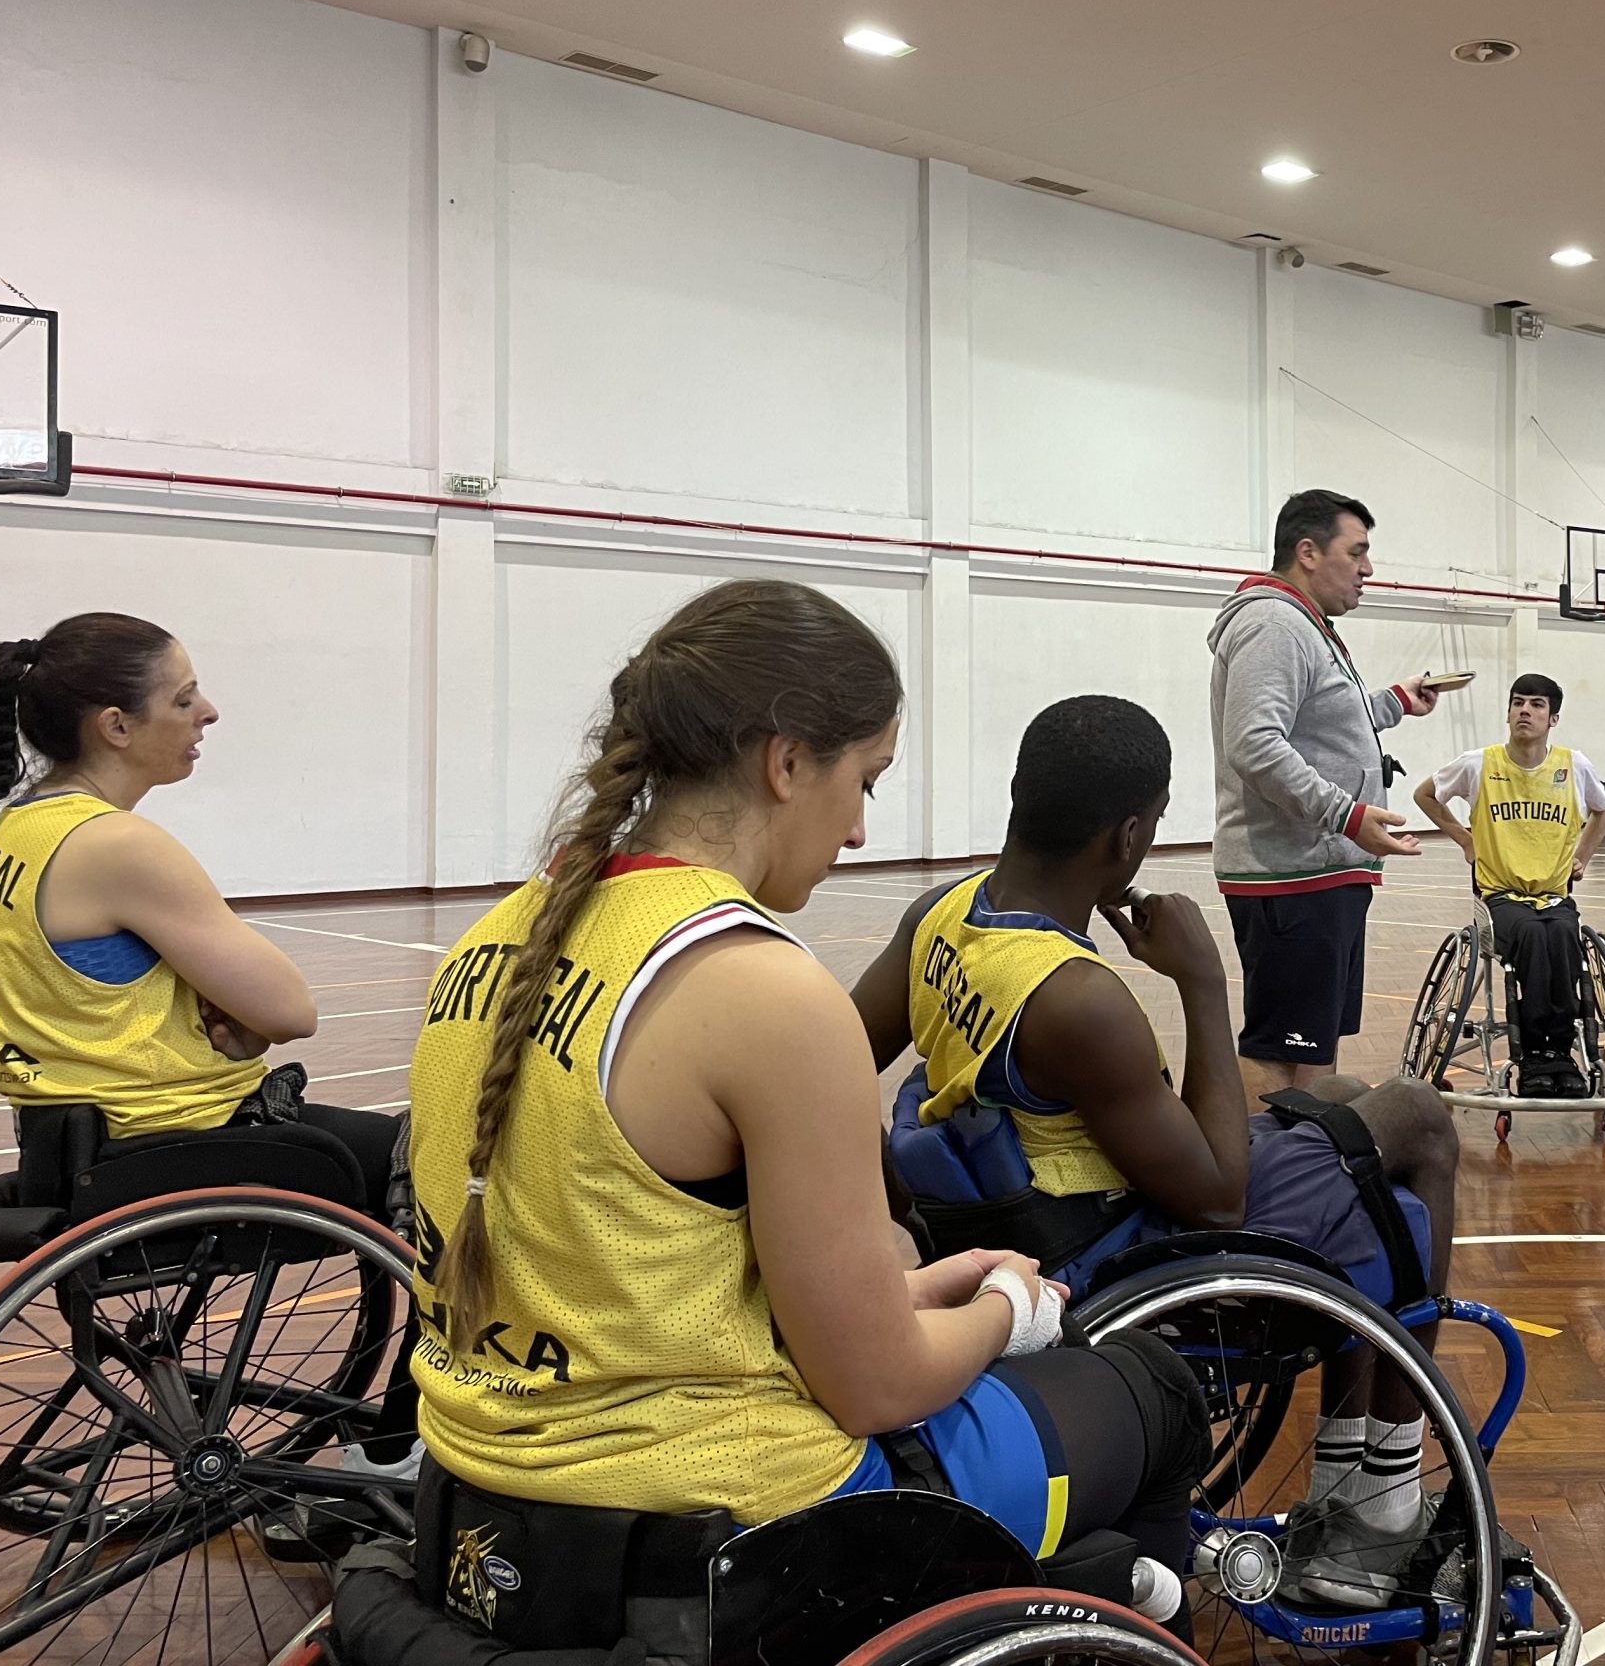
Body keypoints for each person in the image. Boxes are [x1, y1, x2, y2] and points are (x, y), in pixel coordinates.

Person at [407, 583, 1203, 1647]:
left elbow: (636, 1277)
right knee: (1153, 1394)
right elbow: (878, 1386)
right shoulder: (765, 992)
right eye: (863, 780)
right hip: (730, 1525)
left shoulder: (497, 936)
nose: (861, 829)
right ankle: (1094, 1610)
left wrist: (903, 1291)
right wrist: (1005, 1309)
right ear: (786, 763)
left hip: (482, 1495)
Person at [855, 694, 1462, 1610]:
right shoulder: (1074, 998)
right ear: (1130, 837)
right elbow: (1217, 1198)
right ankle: (1383, 1491)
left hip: (1015, 1209)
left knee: (1337, 1100)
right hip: (1121, 1245)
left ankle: (1350, 1472)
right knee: (1415, 1117)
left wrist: (900, 1208)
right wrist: (1203, 982)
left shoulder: (938, 914)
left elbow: (836, 1061)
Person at [0, 615, 398, 1199]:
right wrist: (245, 1019)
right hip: (175, 1138)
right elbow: (292, 1013)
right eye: (183, 699)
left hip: (71, 1142)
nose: (209, 711)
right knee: (429, 1150)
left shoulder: (11, 832)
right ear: (116, 726)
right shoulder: (114, 844)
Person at [1210, 489, 1438, 1097]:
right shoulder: (1275, 624)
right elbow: (1254, 744)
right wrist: (1347, 815)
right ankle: (1261, 1158)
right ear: (1308, 552)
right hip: (1292, 876)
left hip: (1318, 871)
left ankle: (1307, 1155)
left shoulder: (1302, 625)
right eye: (1356, 552)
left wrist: (1394, 702)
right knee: (1279, 1049)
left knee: (1313, 1042)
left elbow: (1323, 721)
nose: (1368, 568)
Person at [1411, 673, 1605, 1097]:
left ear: (1553, 719)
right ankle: (1535, 1053)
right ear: (1507, 713)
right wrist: (1464, 839)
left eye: (1537, 704)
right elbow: (1425, 795)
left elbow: (1604, 810)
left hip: (1554, 896)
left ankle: (1560, 1052)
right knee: (1531, 936)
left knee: (1563, 935)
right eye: (1518, 702)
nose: (1525, 710)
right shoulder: (1478, 763)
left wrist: (1583, 856)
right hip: (1499, 898)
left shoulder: (1573, 765)